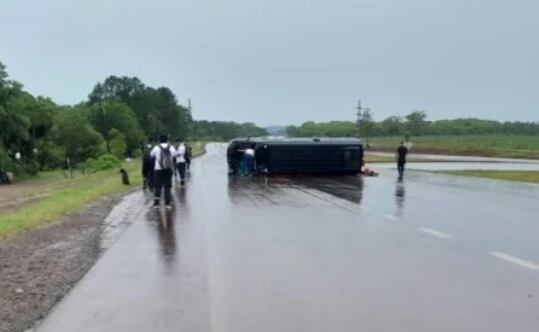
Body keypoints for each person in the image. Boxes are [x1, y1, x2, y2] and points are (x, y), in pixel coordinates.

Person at [151, 135, 177, 209]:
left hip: (158, 169)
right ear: (167, 140)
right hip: (168, 170)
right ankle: (167, 204)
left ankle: (156, 204)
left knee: (158, 187)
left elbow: (151, 155)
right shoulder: (171, 147)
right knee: (167, 187)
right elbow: (175, 155)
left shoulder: (156, 148)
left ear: (159, 140)